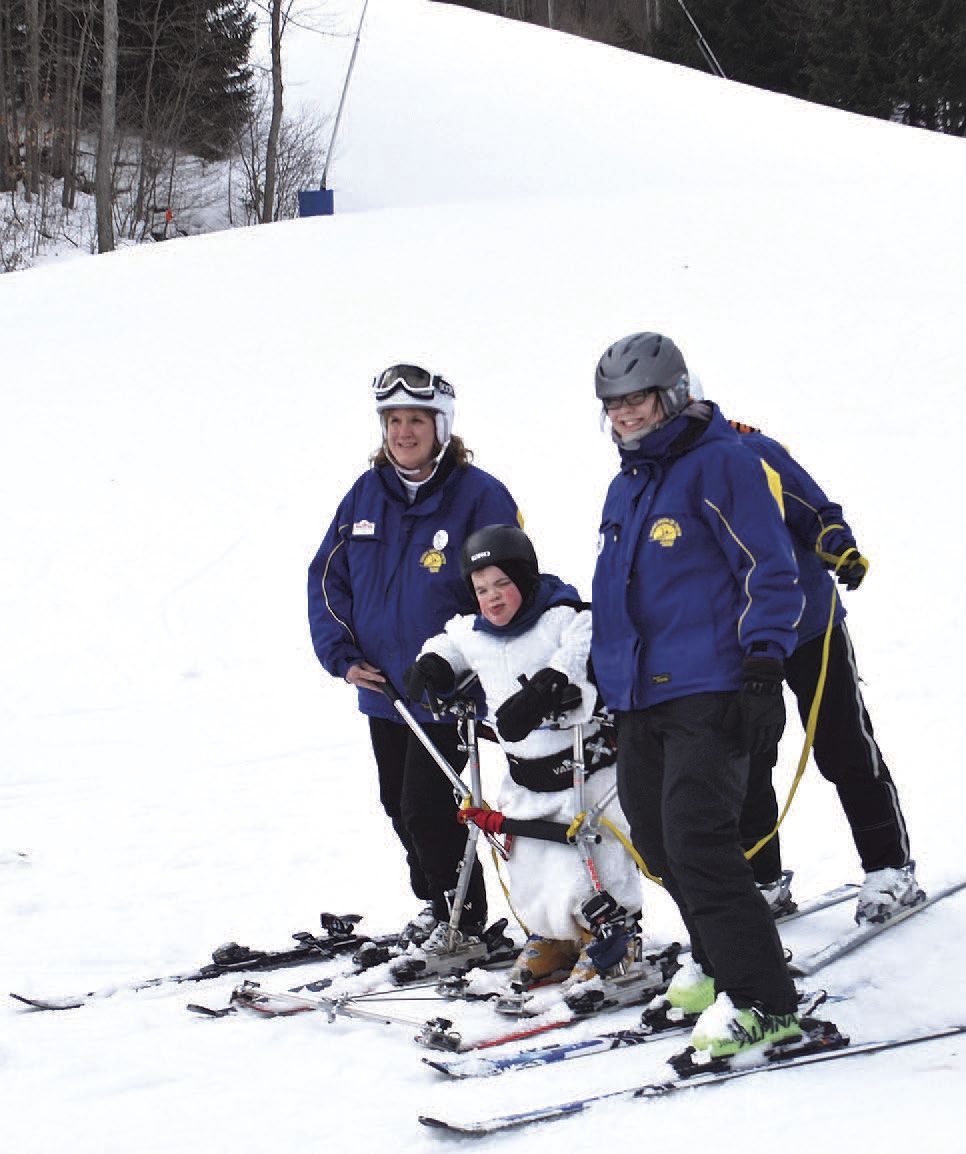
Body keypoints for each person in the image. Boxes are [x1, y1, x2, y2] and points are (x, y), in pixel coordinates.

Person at [590, 331, 810, 1062]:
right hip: (638, 697)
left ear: (674, 394)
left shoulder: (722, 464)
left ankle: (766, 1003)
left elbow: (768, 569)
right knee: (657, 844)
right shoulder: (626, 486)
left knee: (698, 841)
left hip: (710, 688)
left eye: (638, 399)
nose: (625, 414)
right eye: (615, 403)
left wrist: (762, 664)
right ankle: (717, 964)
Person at [307, 364, 522, 953]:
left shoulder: (479, 496)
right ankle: (437, 905)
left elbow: (509, 584)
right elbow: (328, 578)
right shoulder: (364, 495)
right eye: (393, 420)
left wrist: (467, 663)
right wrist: (341, 655)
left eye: (416, 421)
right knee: (397, 807)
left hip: (446, 694)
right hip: (381, 688)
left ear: (441, 426)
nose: (403, 432)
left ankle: (465, 919)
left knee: (430, 810)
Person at [403, 524, 643, 988]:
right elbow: (448, 643)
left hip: (581, 772)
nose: (492, 598)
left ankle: (616, 937)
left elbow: (584, 644)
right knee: (529, 860)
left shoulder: (560, 617)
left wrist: (546, 689)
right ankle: (552, 936)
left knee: (593, 855)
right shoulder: (474, 632)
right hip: (524, 777)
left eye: (502, 585)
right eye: (481, 589)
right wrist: (432, 664)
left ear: (525, 580)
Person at [720, 414, 924, 924]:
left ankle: (889, 868)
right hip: (739, 641)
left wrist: (840, 547)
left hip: (809, 624)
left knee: (842, 743)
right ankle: (762, 880)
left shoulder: (754, 453)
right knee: (747, 758)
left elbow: (816, 510)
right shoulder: (670, 477)